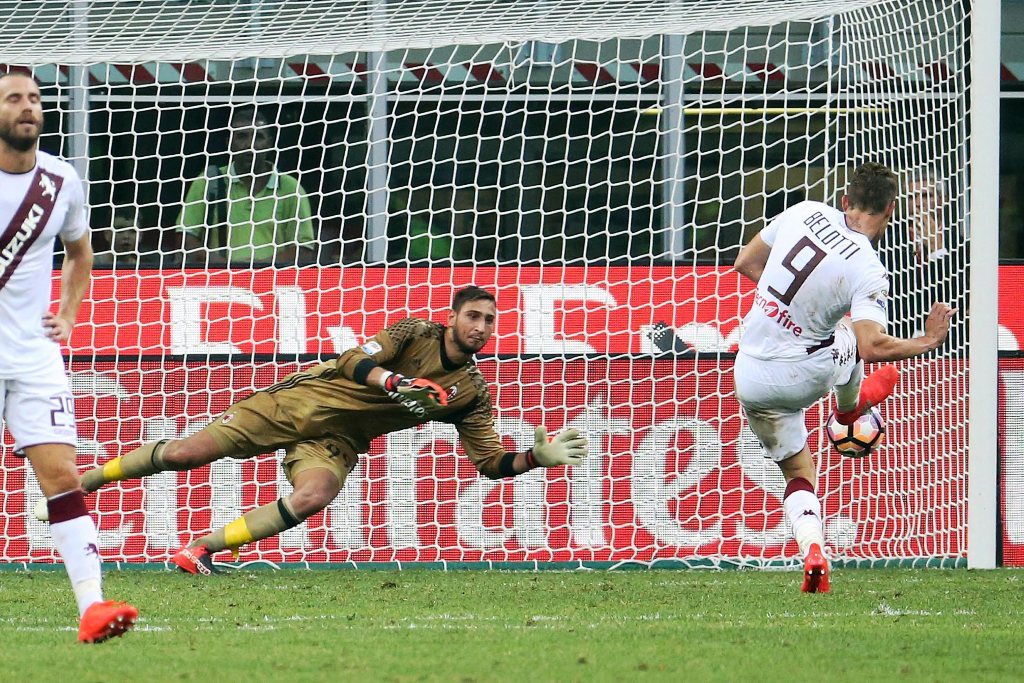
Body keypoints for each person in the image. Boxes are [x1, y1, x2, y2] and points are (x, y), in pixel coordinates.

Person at [75, 286, 587, 575]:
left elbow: (489, 464)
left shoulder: (471, 391)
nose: (481, 326)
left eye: (490, 321)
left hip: (337, 440)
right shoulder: (413, 332)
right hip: (299, 403)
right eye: (473, 316)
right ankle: (86, 480)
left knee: (314, 495)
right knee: (187, 454)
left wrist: (535, 458)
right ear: (451, 318)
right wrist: (397, 381)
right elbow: (350, 361)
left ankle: (199, 550)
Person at [732, 162, 954, 593]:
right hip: (804, 372)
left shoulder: (802, 211)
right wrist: (927, 340)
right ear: (891, 209)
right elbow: (873, 346)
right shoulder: (868, 267)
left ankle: (813, 549)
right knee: (850, 334)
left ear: (845, 201)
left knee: (797, 471)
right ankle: (850, 411)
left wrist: (790, 310)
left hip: (751, 374)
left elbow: (745, 262)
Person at [0, 72, 138, 642]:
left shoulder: (62, 179)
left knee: (62, 479)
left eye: (34, 99)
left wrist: (71, 312)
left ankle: (93, 607)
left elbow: (80, 252)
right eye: (13, 99)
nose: (28, 108)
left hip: (34, 356)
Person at [176, 106, 315, 267]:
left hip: (275, 283)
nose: (250, 145)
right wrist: (227, 268)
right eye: (242, 137)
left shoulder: (290, 188)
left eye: (258, 137)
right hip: (218, 283)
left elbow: (304, 249)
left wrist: (257, 271)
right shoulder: (208, 181)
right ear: (229, 142)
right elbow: (185, 237)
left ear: (269, 143)